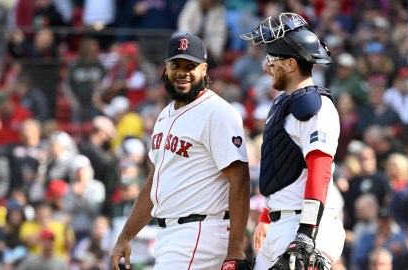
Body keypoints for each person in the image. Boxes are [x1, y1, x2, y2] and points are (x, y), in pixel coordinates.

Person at [110, 33, 251, 270]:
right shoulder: (165, 115)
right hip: (170, 236)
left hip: (200, 231)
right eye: (176, 65)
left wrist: (236, 249)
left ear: (204, 69)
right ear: (165, 68)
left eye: (191, 66)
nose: (183, 72)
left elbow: (240, 179)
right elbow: (154, 184)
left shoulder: (217, 113)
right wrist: (125, 236)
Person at [240, 13, 345, 269]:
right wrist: (267, 216)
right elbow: (283, 170)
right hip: (282, 224)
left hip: (305, 225)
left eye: (271, 60)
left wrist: (307, 233)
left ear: (289, 64)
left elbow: (320, 168)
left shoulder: (314, 106)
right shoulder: (283, 104)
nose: (266, 67)